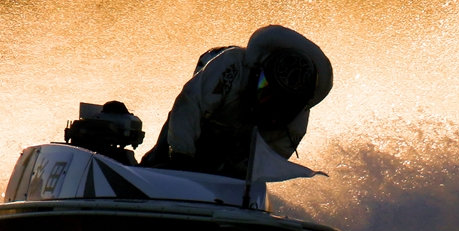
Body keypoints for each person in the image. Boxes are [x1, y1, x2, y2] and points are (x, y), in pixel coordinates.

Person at [140, 26, 333, 178]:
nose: (270, 103)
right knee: (162, 158)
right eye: (266, 89)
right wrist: (181, 156)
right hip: (204, 121)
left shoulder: (295, 127)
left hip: (238, 148)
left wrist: (239, 178)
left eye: (282, 102)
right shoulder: (231, 66)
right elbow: (190, 104)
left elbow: (263, 165)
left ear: (299, 104)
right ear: (258, 72)